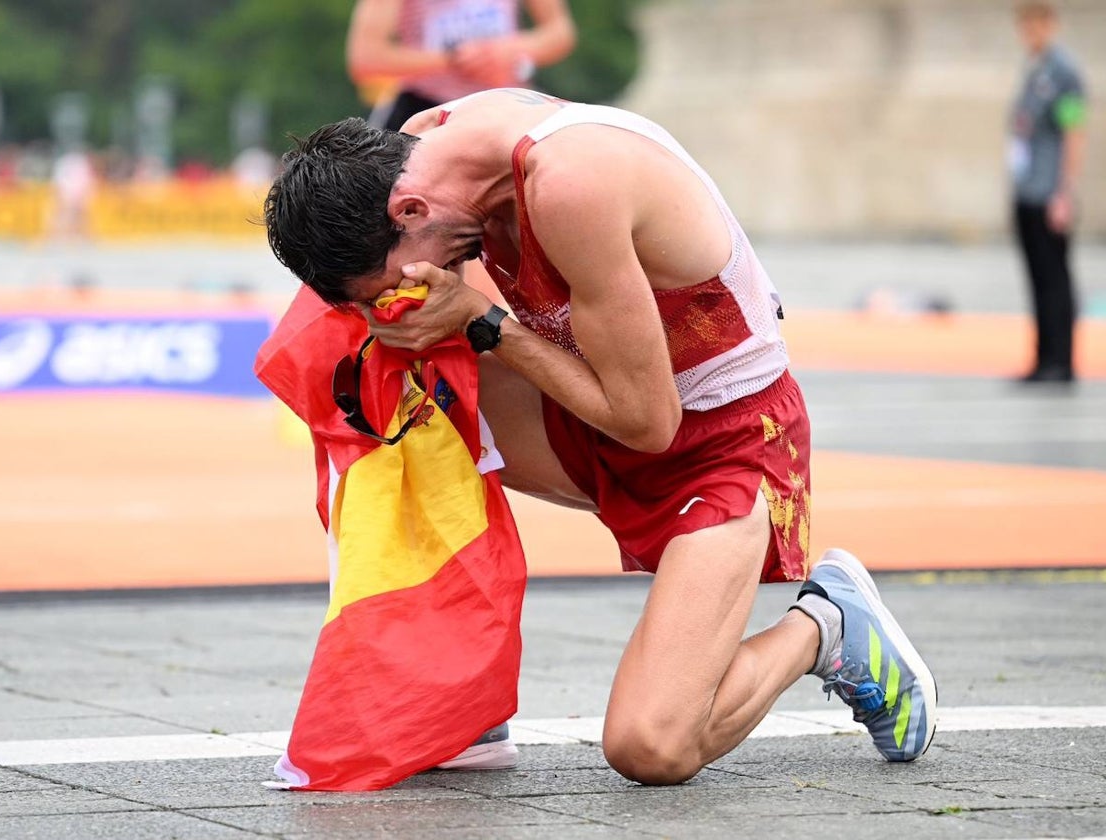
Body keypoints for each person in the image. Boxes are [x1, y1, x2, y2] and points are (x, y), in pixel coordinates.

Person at [263, 89, 938, 785]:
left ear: (409, 212)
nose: (408, 289)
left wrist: (481, 321)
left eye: (394, 281)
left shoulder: (571, 182)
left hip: (720, 442)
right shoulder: (422, 150)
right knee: (380, 378)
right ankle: (456, 687)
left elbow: (650, 425)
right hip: (598, 408)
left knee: (652, 747)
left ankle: (827, 625)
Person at [1009, 1, 1088, 384]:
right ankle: (1043, 358)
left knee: (1055, 278)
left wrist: (1064, 192)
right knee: (1038, 278)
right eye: (1025, 25)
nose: (1030, 33)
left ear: (1050, 24)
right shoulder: (1034, 69)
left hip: (1048, 192)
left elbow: (1074, 132)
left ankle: (1062, 360)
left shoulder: (1064, 73)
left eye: (1036, 25)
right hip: (1027, 189)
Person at [347, 0, 576, 131]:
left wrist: (509, 51)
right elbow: (366, 57)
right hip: (426, 112)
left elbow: (560, 32)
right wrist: (455, 59)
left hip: (507, 106)